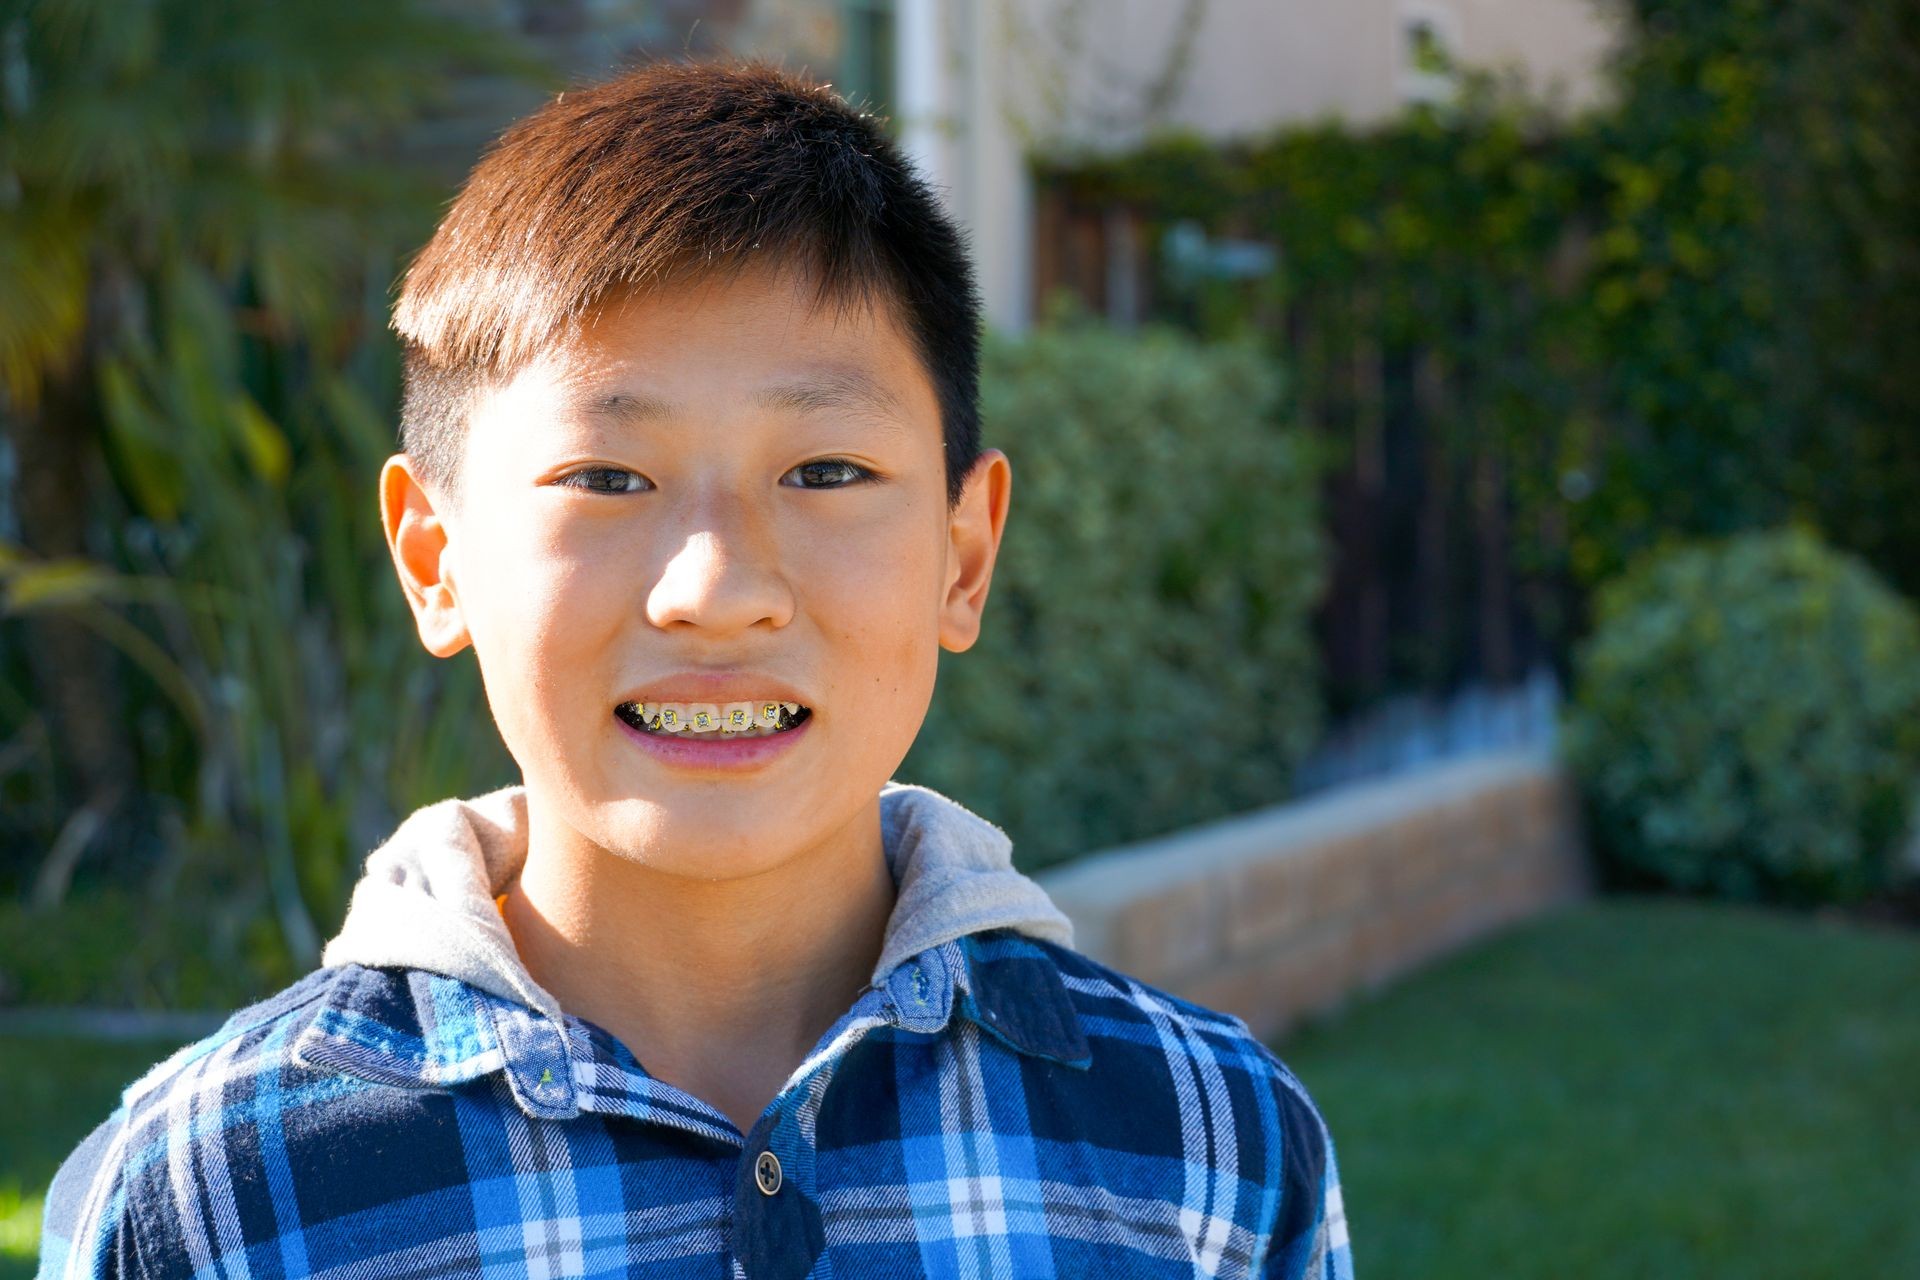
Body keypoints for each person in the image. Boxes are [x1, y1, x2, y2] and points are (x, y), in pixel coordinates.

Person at [37, 58, 1353, 1280]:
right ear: (435, 558)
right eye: (606, 478)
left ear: (964, 554)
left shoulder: (1209, 1149)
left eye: (827, 471)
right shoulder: (210, 1201)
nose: (716, 591)